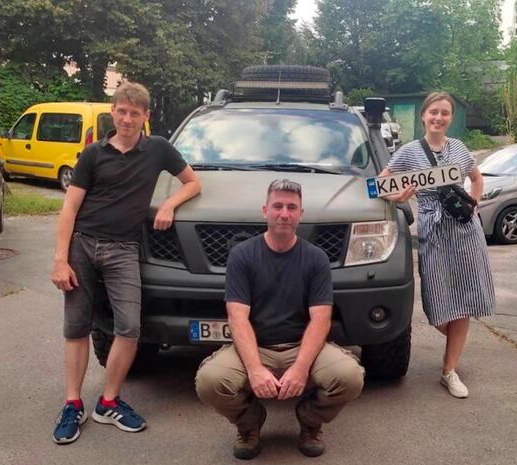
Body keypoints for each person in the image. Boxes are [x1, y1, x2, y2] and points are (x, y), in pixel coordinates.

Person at [50, 82, 201, 444]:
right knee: (76, 327)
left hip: (123, 250)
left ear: (146, 117)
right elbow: (69, 208)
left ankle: (108, 401)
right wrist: (59, 259)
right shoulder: (93, 154)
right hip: (82, 246)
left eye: (135, 113)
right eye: (121, 111)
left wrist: (169, 204)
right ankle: (72, 403)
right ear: (112, 112)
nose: (127, 118)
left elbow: (193, 183)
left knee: (129, 327)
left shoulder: (159, 150)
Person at [195, 179, 365, 460]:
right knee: (210, 381)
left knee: (349, 377)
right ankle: (250, 425)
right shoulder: (242, 255)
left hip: (301, 345)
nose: (284, 213)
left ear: (301, 214)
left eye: (291, 207)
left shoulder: (316, 259)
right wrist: (254, 369)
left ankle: (310, 421)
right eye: (277, 206)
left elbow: (320, 320)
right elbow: (237, 318)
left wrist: (300, 368)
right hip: (255, 346)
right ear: (265, 211)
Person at [379, 92, 495, 398]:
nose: (439, 117)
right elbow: (380, 184)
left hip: (464, 228)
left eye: (445, 113)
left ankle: (449, 369)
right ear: (423, 116)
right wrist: (399, 196)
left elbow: (476, 178)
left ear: (450, 117)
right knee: (437, 301)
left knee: (466, 295)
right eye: (434, 112)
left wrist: (474, 204)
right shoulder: (407, 152)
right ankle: (452, 340)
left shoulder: (458, 147)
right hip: (432, 227)